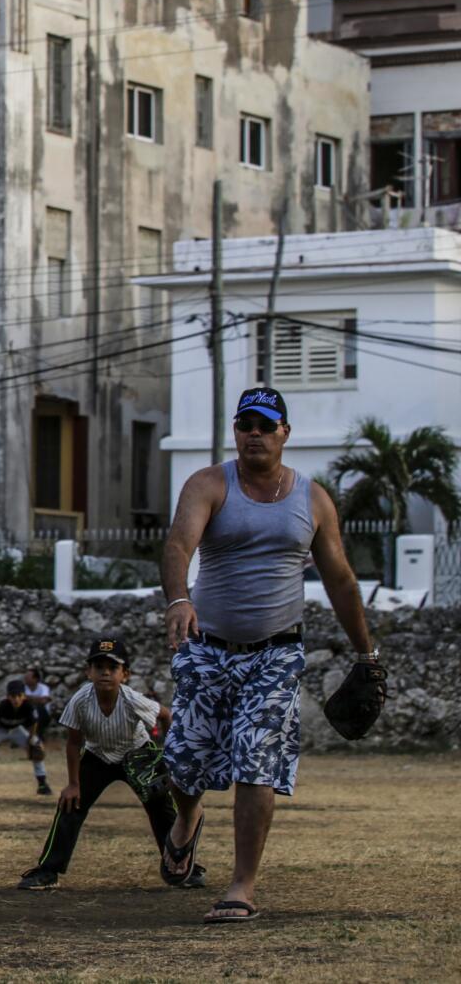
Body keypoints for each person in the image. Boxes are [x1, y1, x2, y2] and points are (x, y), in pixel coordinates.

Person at [159, 386, 377, 925]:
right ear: (236, 431)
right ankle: (186, 823)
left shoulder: (313, 499)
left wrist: (367, 653)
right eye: (245, 424)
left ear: (285, 433)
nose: (253, 433)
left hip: (276, 655)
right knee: (184, 764)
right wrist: (179, 599)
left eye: (265, 424)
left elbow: (341, 580)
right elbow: (178, 545)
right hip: (206, 648)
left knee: (256, 762)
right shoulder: (210, 484)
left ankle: (242, 885)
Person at [17, 637, 203, 891]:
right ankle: (48, 871)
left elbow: (165, 715)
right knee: (71, 804)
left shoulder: (132, 699)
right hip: (97, 755)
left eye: (112, 667)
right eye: (98, 666)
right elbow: (73, 743)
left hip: (136, 753)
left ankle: (182, 866)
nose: (105, 672)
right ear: (88, 672)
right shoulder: (81, 700)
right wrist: (73, 784)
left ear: (124, 674)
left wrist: (167, 758)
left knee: (162, 806)